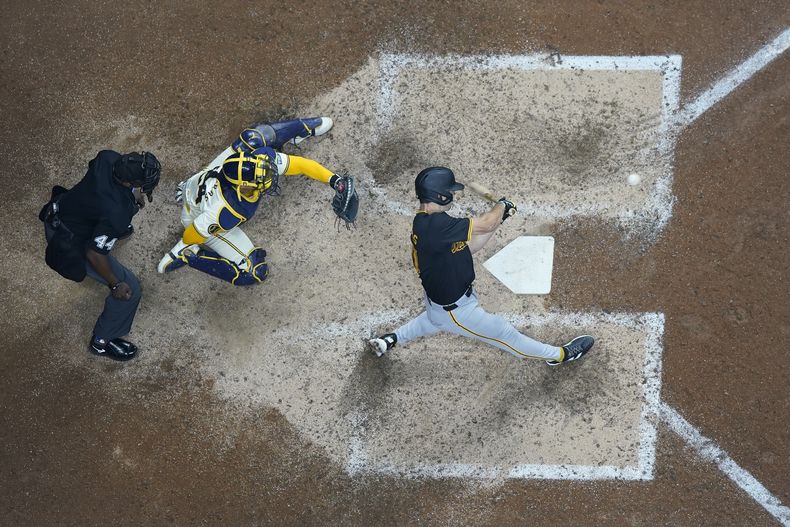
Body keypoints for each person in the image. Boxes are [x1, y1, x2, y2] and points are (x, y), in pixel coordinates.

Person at [368, 166, 594, 366]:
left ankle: (391, 339)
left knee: (433, 320)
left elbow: (467, 248)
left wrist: (501, 218)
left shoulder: (427, 222)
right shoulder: (437, 226)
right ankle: (560, 356)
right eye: (451, 190)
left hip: (442, 303)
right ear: (441, 194)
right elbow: (486, 223)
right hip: (458, 311)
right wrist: (501, 206)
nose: (454, 193)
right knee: (505, 334)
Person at [157, 117, 358, 285]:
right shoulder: (226, 212)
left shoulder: (256, 162)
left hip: (201, 181)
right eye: (263, 180)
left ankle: (302, 129)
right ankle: (188, 256)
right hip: (196, 216)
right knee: (255, 272)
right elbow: (192, 232)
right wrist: (185, 244)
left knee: (253, 138)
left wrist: (335, 181)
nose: (271, 178)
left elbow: (302, 165)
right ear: (243, 186)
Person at [39, 150, 161, 361]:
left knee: (119, 219)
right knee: (130, 289)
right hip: (66, 241)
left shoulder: (107, 158)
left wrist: (129, 196)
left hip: (62, 208)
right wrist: (115, 285)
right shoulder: (117, 212)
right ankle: (103, 341)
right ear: (128, 182)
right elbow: (94, 254)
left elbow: (99, 179)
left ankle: (109, 229)